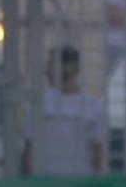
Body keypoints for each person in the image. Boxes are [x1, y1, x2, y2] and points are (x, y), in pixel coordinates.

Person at [28, 45, 106, 177]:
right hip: (44, 185)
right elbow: (29, 148)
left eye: (52, 65)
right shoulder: (39, 104)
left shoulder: (93, 106)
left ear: (70, 68)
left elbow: (98, 152)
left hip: (80, 184)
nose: (47, 71)